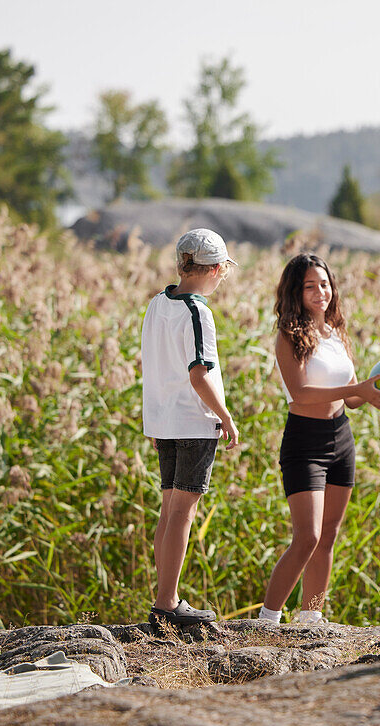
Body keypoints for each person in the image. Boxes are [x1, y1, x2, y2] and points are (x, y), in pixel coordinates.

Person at [258, 253, 380, 624]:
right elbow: (301, 393)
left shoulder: (336, 333)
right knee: (307, 536)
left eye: (324, 284)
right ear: (295, 292)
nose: (321, 292)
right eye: (310, 286)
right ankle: (267, 620)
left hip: (341, 437)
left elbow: (351, 397)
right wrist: (357, 388)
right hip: (305, 442)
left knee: (328, 536)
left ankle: (310, 619)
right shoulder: (288, 336)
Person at [142, 228, 241, 627]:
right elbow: (199, 374)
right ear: (216, 269)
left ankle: (167, 596)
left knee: (168, 510)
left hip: (163, 420)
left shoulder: (155, 304)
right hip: (194, 420)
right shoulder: (199, 312)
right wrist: (225, 414)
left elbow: (150, 363)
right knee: (182, 513)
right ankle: (167, 604)